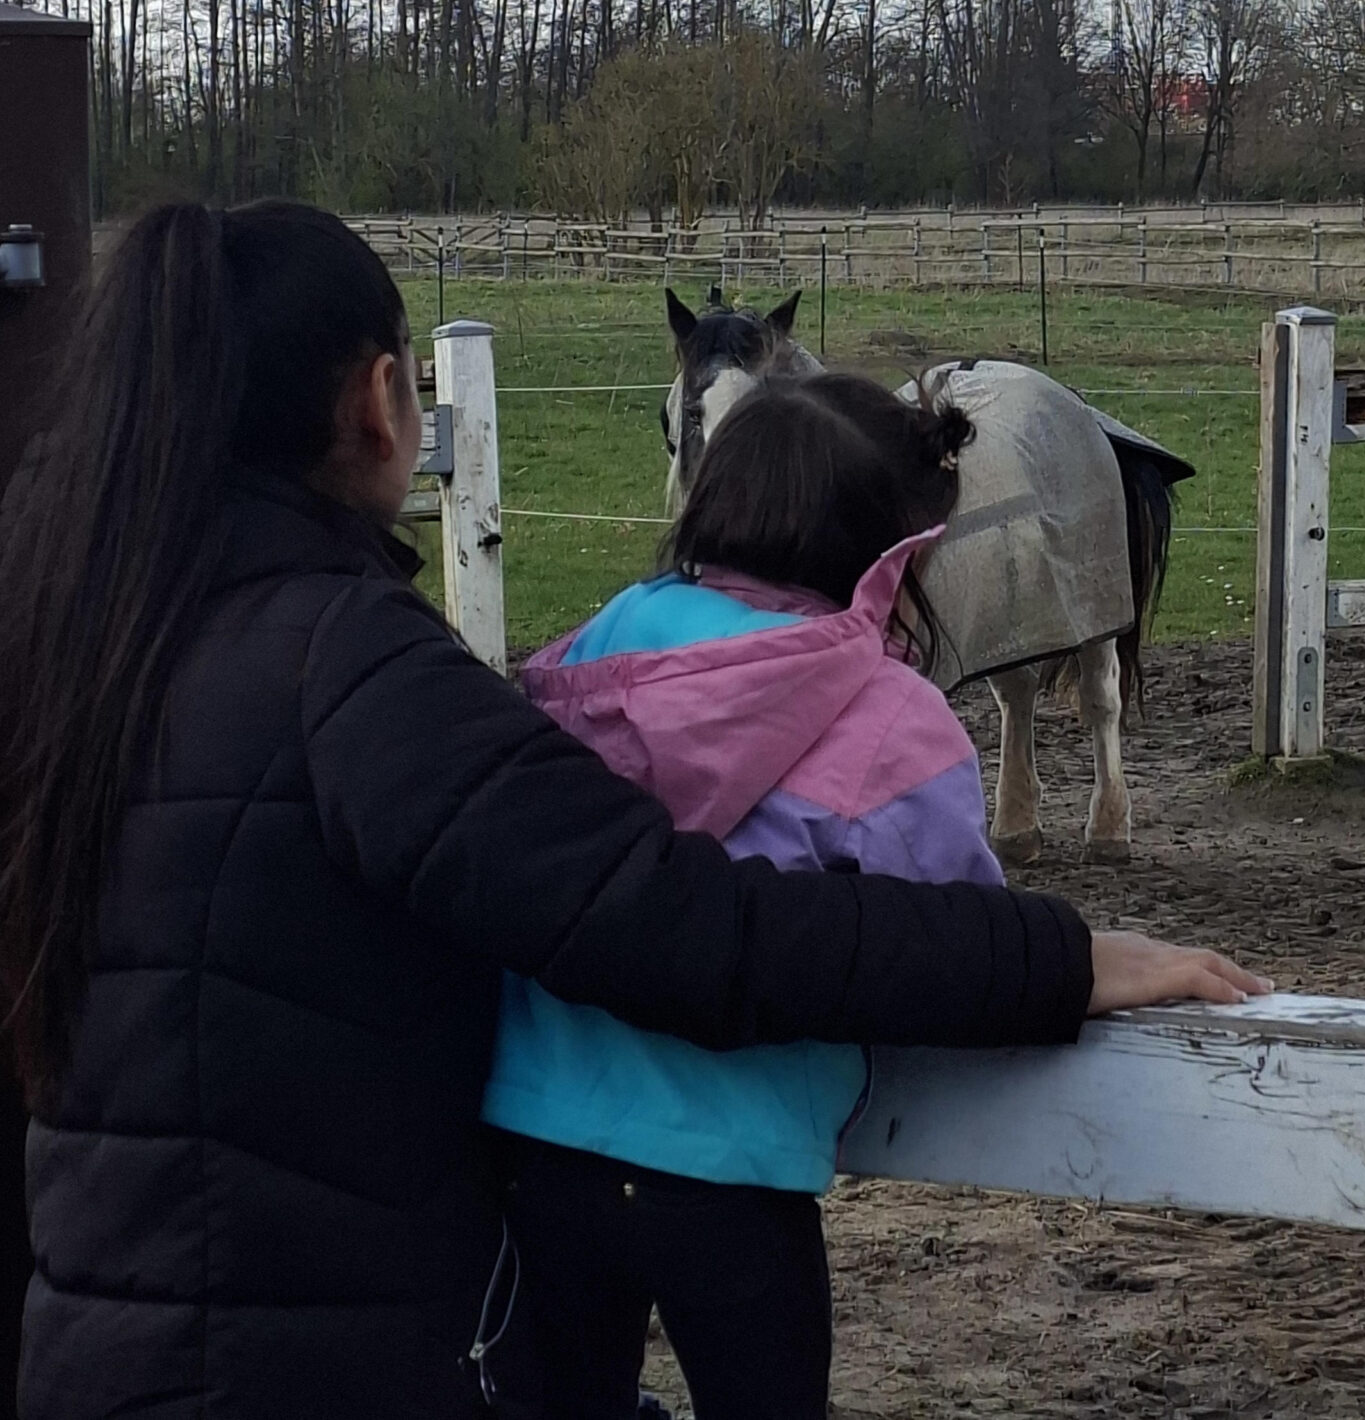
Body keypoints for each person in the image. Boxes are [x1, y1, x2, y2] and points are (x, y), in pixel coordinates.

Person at [0, 199, 1267, 1420]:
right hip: (308, 1364)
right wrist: (1053, 959)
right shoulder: (346, 669)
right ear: (380, 401)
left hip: (90, 1347)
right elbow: (682, 926)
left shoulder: (81, 646)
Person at [487, 372, 1017, 1418]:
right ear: (894, 553)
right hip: (736, 1168)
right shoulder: (889, 713)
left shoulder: (604, 642)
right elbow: (961, 929)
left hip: (540, 1141)